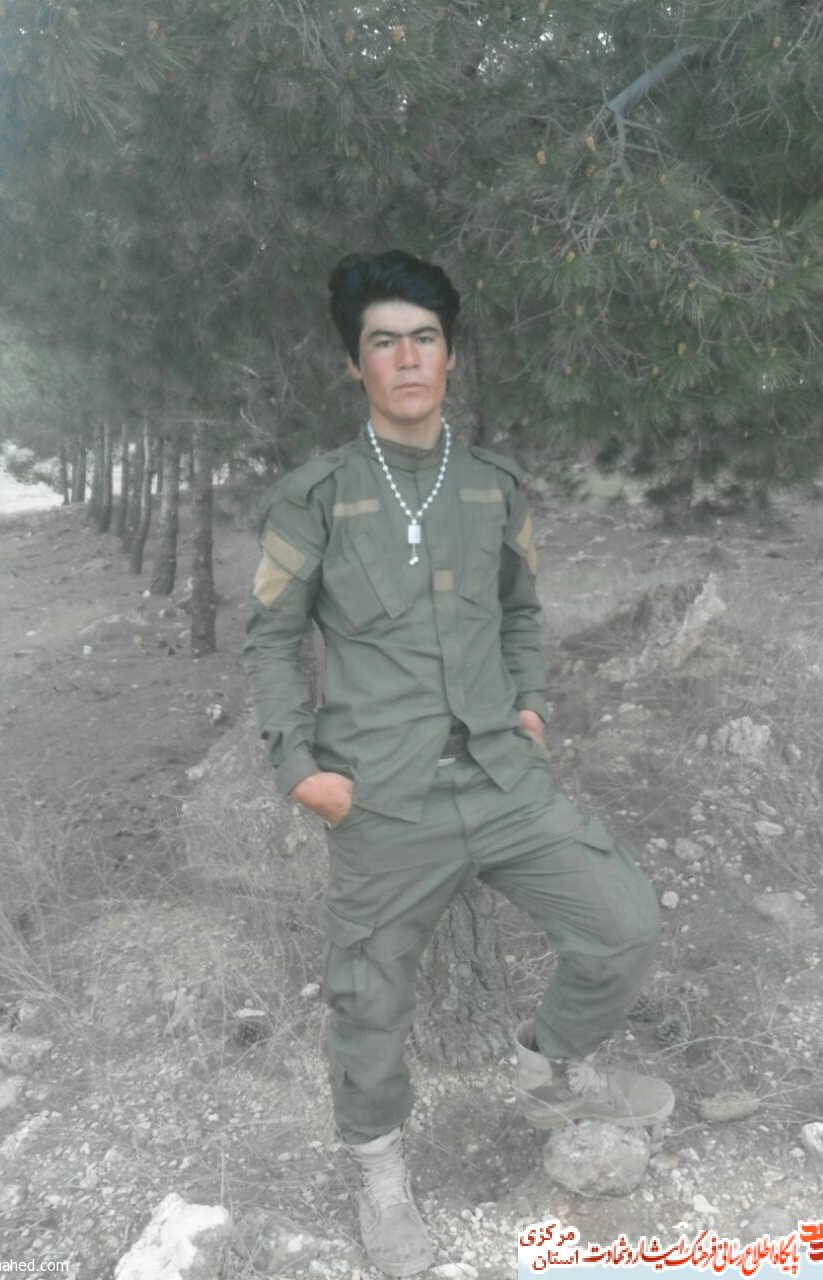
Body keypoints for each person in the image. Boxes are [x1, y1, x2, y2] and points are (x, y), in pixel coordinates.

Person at [244, 249, 673, 1278]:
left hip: (499, 775)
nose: (406, 359)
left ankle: (546, 1065)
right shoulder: (315, 495)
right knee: (368, 995)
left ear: (449, 354)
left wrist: (529, 706)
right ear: (354, 363)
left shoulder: (491, 487)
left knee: (621, 923)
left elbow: (522, 612)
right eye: (383, 342)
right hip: (381, 794)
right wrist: (299, 767)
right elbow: (270, 639)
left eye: (424, 339)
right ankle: (377, 1169)